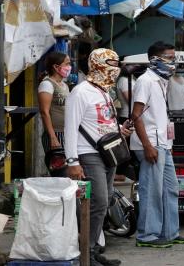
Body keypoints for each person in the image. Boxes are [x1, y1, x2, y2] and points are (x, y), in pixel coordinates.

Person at [65, 48, 132, 266]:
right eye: (112, 64)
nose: (116, 68)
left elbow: (102, 122)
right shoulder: (80, 91)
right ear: (98, 65)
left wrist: (120, 130)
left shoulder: (104, 91)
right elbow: (70, 128)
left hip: (108, 153)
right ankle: (85, 253)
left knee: (104, 204)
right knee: (99, 201)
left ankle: (92, 251)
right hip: (88, 153)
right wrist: (72, 161)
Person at [130, 41, 184, 248]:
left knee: (170, 188)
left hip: (163, 144)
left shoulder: (161, 81)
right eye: (169, 57)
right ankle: (147, 235)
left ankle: (169, 232)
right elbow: (136, 116)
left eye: (173, 57)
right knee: (152, 190)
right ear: (154, 60)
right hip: (151, 143)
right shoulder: (145, 81)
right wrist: (147, 145)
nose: (172, 61)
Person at [38, 52, 71, 156]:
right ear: (56, 67)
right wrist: (52, 137)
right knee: (61, 170)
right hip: (56, 133)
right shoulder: (47, 84)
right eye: (67, 64)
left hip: (66, 132)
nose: (69, 67)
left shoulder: (65, 85)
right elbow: (44, 112)